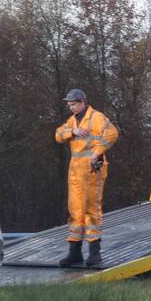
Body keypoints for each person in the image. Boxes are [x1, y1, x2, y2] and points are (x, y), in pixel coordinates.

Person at [55, 88, 118, 266]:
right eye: (69, 105)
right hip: (75, 172)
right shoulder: (72, 122)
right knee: (75, 211)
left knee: (91, 210)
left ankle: (94, 254)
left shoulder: (96, 117)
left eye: (73, 104)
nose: (71, 108)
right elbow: (58, 135)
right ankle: (74, 253)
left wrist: (97, 152)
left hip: (92, 170)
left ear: (83, 102)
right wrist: (72, 132)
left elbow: (112, 133)